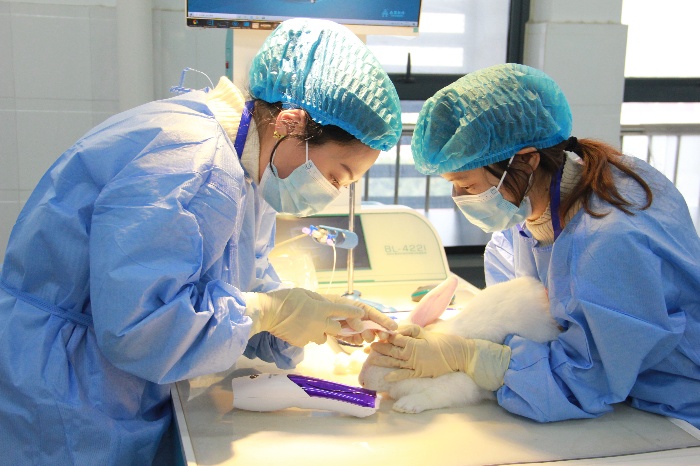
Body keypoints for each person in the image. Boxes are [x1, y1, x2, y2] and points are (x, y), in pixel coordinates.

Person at [0, 18, 400, 464]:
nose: (332, 192)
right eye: (336, 176)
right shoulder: (193, 159)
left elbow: (243, 282)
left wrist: (310, 314)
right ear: (290, 124)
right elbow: (143, 326)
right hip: (63, 388)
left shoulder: (248, 167)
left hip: (108, 380)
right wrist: (268, 312)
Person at [370, 63, 700, 427]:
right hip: (621, 401)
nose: (459, 197)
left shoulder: (610, 243)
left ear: (526, 160)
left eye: (467, 184)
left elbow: (584, 383)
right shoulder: (527, 214)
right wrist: (453, 338)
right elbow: (523, 321)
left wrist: (471, 357)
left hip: (673, 410)